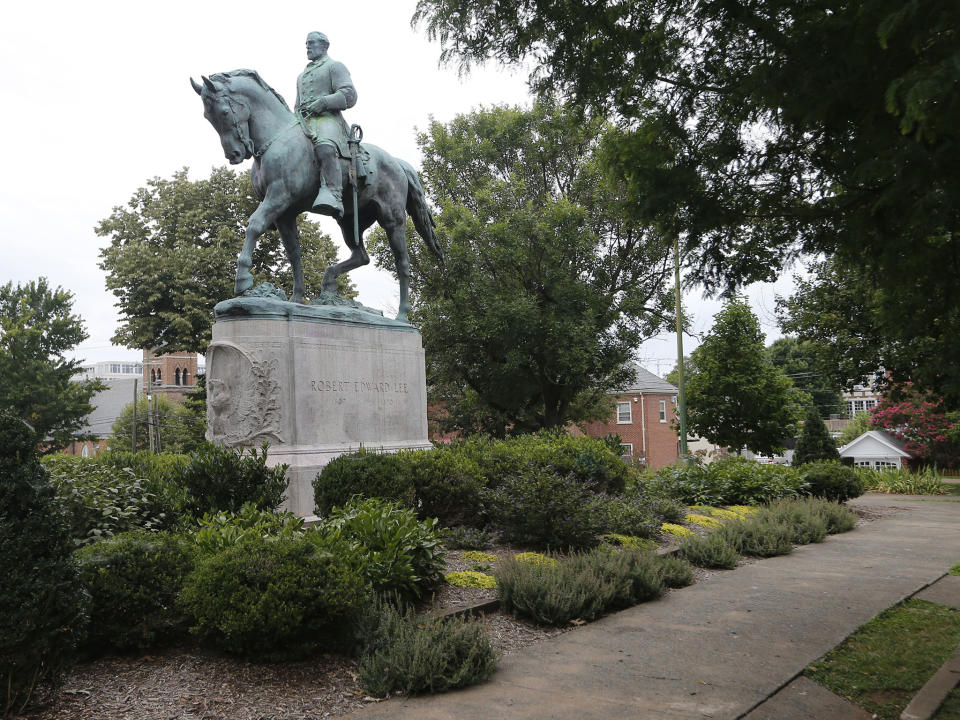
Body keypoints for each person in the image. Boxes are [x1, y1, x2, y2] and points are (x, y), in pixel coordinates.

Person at [295, 31, 357, 219]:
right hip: (304, 120)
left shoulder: (335, 66)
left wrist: (324, 102)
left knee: (325, 146)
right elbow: (297, 104)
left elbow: (349, 94)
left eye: (311, 43)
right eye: (306, 43)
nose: (307, 46)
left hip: (328, 119)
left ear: (324, 46)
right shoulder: (301, 76)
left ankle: (333, 193)